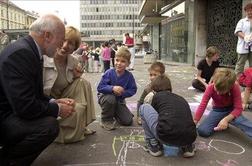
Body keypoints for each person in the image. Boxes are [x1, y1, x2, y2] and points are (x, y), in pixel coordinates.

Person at [0, 14, 75, 166]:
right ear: (47, 36)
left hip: (10, 112)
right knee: (48, 127)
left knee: (48, 122)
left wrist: (54, 101)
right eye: (60, 40)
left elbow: (34, 94)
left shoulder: (31, 50)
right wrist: (58, 109)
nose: (61, 46)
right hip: (4, 119)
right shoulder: (22, 53)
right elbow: (25, 106)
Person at [43, 26, 96, 143]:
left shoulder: (73, 61)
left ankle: (82, 125)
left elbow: (71, 85)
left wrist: (77, 76)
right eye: (63, 40)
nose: (65, 45)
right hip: (48, 101)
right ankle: (57, 132)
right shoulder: (44, 59)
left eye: (71, 43)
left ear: (74, 48)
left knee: (83, 83)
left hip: (64, 95)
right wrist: (55, 102)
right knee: (75, 108)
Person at [140, 75, 197, 158]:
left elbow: (156, 115)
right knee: (181, 118)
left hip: (166, 137)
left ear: (153, 91)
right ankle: (188, 147)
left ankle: (153, 144)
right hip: (190, 137)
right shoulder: (181, 99)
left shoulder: (156, 96)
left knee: (144, 107)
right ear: (170, 89)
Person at [194, 68, 252, 138]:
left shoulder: (234, 87)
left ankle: (225, 121)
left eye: (221, 91)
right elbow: (202, 105)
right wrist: (195, 121)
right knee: (202, 131)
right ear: (214, 81)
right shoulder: (210, 88)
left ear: (229, 87)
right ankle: (222, 121)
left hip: (232, 110)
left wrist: (226, 119)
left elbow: (238, 108)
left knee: (243, 123)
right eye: (216, 89)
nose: (218, 93)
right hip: (218, 110)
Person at [97, 47, 137, 130]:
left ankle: (115, 112)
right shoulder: (109, 72)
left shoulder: (129, 76)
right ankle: (106, 119)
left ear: (128, 63)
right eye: (117, 60)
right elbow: (100, 87)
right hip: (106, 98)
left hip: (119, 101)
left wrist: (123, 93)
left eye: (123, 61)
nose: (119, 63)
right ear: (114, 60)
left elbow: (133, 89)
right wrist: (112, 88)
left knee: (127, 121)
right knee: (110, 99)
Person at [234, 3, 252, 77]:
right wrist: (245, 37)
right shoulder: (242, 21)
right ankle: (237, 82)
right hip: (243, 46)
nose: (250, 12)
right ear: (245, 11)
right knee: (240, 65)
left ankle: (250, 81)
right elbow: (237, 31)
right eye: (248, 11)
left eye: (251, 10)